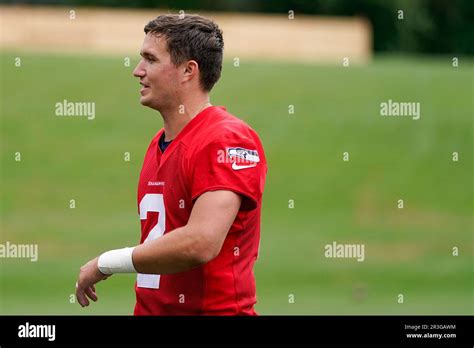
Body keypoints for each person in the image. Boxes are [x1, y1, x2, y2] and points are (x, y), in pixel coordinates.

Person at [75, 14, 267, 315]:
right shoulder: (159, 143)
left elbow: (201, 242)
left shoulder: (228, 139)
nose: (137, 71)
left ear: (188, 71)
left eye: (150, 60)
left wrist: (107, 262)